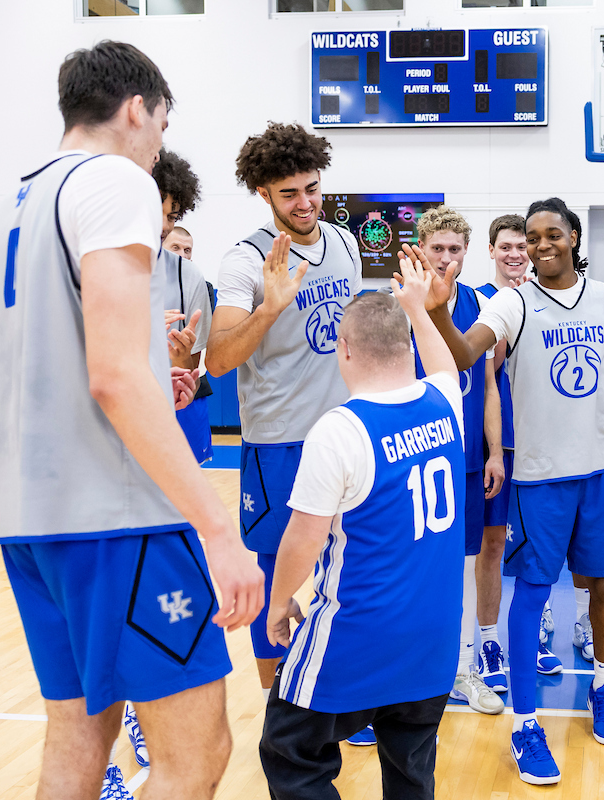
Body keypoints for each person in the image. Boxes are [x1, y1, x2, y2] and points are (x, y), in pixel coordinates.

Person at [0, 41, 262, 800]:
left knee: (80, 737)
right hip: (119, 519)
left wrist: (153, 371)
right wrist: (217, 530)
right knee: (196, 754)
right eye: (162, 124)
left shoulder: (11, 205)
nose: (160, 144)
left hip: (30, 522)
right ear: (137, 108)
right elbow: (112, 375)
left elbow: (69, 365)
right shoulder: (115, 180)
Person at [414, 197, 604, 785]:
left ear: (574, 236)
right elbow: (463, 354)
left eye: (552, 234)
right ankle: (526, 724)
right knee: (530, 594)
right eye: (531, 237)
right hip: (539, 477)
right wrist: (438, 311)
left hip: (601, 470)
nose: (540, 245)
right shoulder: (513, 302)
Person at [259, 259, 463, 800]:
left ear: (343, 349)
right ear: (407, 345)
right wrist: (417, 307)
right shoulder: (445, 402)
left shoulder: (340, 429)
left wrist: (279, 602)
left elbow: (303, 537)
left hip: (358, 635)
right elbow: (444, 364)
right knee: (411, 773)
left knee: (289, 752)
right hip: (434, 639)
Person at [207, 122, 362, 699]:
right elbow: (218, 359)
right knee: (277, 579)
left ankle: (339, 695)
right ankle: (279, 712)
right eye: (289, 193)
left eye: (312, 188)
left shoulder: (344, 242)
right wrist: (269, 309)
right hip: (278, 443)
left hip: (345, 436)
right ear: (263, 193)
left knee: (346, 571)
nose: (305, 203)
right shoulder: (245, 261)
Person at [410, 205, 506, 717]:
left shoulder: (479, 304)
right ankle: (410, 672)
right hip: (411, 460)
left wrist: (495, 452)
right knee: (412, 566)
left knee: (467, 565)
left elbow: (488, 386)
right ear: (420, 250)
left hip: (466, 459)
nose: (446, 257)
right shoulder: (398, 303)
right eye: (437, 248)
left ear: (467, 253)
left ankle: (464, 669)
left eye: (454, 249)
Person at [475, 214, 563, 692]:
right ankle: (488, 642)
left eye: (521, 246)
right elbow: (487, 371)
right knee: (491, 545)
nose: (515, 254)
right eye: (505, 246)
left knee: (538, 546)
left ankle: (535, 634)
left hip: (541, 440)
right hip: (497, 441)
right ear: (491, 250)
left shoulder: (548, 299)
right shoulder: (480, 302)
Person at [153, 148, 214, 466]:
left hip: (172, 408)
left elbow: (191, 371)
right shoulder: (92, 266)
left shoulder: (187, 275)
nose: (164, 225)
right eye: (157, 212)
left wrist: (179, 355)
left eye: (172, 217)